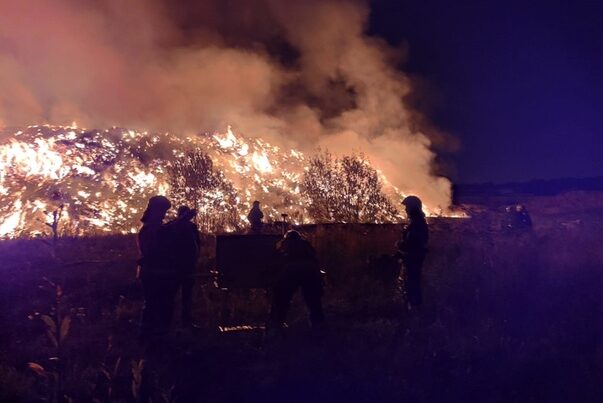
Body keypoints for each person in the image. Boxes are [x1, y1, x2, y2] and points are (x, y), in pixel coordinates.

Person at [137, 196, 179, 340]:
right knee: (155, 305)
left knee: (161, 305)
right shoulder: (149, 230)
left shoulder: (155, 228)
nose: (163, 215)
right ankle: (151, 338)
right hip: (154, 274)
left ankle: (156, 336)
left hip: (160, 273)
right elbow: (154, 250)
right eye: (162, 211)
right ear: (154, 210)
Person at [269, 230, 325, 330]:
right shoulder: (305, 244)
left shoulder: (285, 244)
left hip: (290, 272)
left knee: (281, 299)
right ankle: (318, 326)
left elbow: (277, 259)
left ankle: (276, 325)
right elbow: (314, 258)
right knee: (314, 301)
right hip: (309, 271)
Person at [170, 206, 201, 328]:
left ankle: (186, 322)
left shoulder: (192, 227)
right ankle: (169, 323)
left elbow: (197, 244)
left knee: (187, 296)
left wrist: (196, 257)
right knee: (171, 295)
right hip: (176, 266)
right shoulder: (173, 227)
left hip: (189, 265)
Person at [396, 195, 429, 309]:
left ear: (413, 208)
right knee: (410, 284)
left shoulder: (418, 225)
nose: (405, 210)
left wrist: (403, 246)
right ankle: (412, 309)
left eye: (407, 207)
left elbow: (414, 243)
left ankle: (415, 311)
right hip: (411, 260)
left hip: (413, 260)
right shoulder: (416, 223)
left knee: (413, 285)